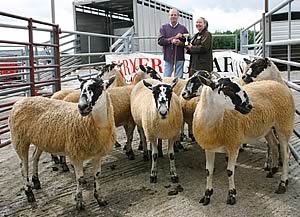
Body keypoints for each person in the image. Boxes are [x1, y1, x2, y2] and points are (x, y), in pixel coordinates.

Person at [158, 8, 188, 78]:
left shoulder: (183, 28)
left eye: (175, 15)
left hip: (180, 57)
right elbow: (160, 41)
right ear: (169, 16)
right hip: (168, 57)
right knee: (166, 78)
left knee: (179, 80)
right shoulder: (163, 27)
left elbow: (188, 42)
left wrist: (181, 42)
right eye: (172, 15)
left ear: (178, 16)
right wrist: (172, 40)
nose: (173, 16)